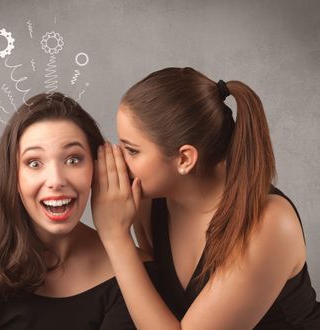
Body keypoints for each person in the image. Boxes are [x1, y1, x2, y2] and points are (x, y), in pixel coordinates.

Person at [91, 67, 320, 329]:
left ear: (184, 159)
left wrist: (116, 238)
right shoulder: (147, 201)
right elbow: (155, 307)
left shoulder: (270, 224)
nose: (119, 160)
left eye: (132, 150)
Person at [0, 92, 154, 329]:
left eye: (73, 159)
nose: (56, 180)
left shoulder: (133, 272)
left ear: (97, 169)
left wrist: (117, 234)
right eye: (34, 163)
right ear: (13, 176)